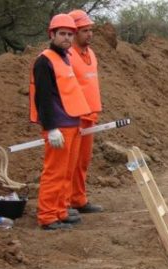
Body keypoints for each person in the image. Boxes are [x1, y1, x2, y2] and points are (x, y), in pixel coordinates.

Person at [30, 14, 91, 230]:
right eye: (62, 34)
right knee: (54, 173)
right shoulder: (44, 61)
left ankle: (60, 211)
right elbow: (43, 98)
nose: (66, 38)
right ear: (52, 34)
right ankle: (47, 216)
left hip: (72, 124)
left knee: (66, 173)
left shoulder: (65, 58)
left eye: (69, 34)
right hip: (59, 127)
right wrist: (51, 127)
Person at [67, 9, 103, 214]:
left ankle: (78, 199)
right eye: (84, 30)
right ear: (74, 32)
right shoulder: (67, 55)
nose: (89, 34)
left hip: (90, 116)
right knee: (68, 163)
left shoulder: (90, 54)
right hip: (73, 117)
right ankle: (64, 203)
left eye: (90, 30)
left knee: (82, 162)